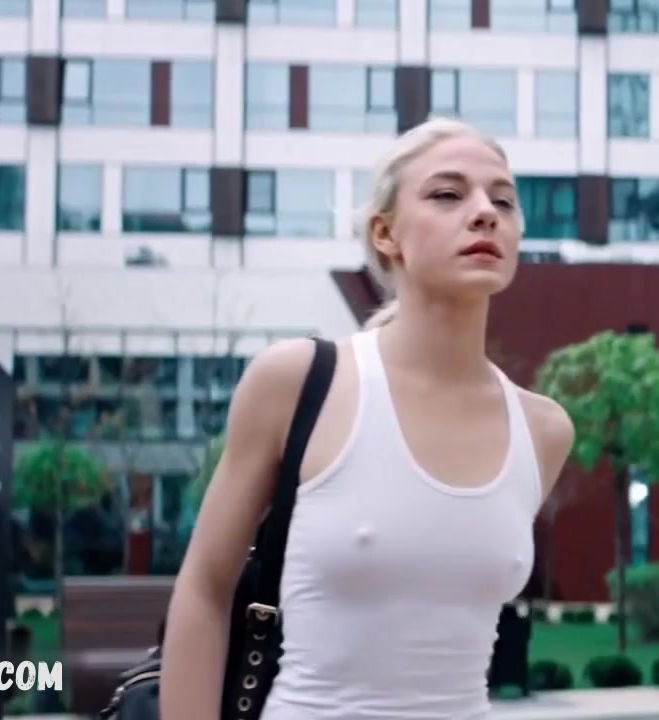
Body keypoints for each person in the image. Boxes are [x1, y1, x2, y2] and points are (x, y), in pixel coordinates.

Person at [158, 117, 576, 720]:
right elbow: (204, 588)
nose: (486, 213)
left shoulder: (543, 430)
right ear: (386, 233)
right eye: (448, 194)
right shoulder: (299, 383)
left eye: (504, 200)